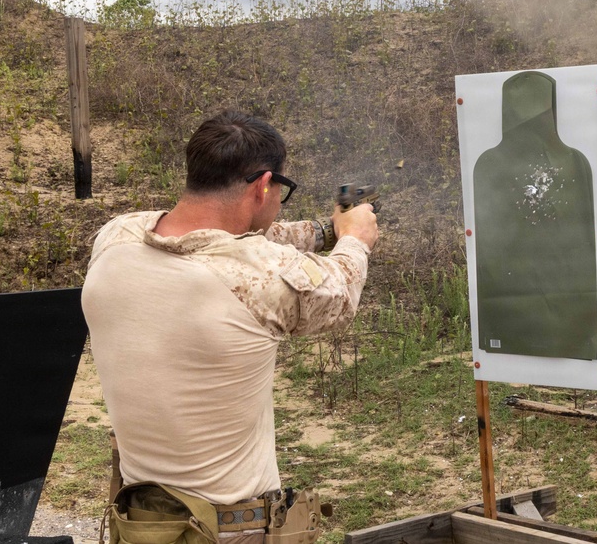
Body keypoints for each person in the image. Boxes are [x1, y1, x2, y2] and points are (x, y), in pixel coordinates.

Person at [81, 111, 378, 542]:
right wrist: (355, 239)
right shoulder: (260, 279)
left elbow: (229, 244)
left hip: (143, 522)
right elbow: (341, 291)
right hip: (229, 532)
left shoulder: (115, 238)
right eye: (282, 190)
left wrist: (322, 231)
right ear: (263, 186)